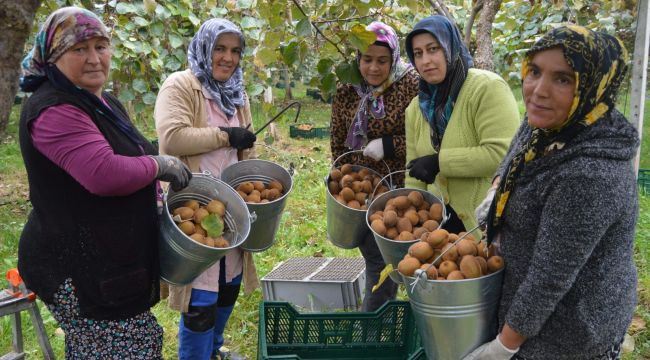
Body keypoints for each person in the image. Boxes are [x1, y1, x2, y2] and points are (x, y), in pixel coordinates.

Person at [16, 7, 191, 359]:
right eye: (79, 49)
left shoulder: (99, 100)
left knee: (111, 346)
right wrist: (159, 164)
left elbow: (130, 152)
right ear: (53, 56)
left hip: (108, 260)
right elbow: (104, 174)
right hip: (76, 266)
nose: (94, 58)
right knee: (120, 346)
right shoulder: (54, 110)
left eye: (101, 46)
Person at [465, 25, 639, 360]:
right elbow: (518, 150)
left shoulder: (590, 174)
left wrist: (503, 346)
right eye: (534, 72)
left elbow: (549, 278)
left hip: (569, 331)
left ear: (592, 86)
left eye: (563, 79)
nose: (538, 91)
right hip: (530, 305)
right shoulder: (550, 122)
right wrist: (498, 186)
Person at [154, 18, 258, 360]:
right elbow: (172, 137)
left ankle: (214, 349)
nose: (228, 58)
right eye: (220, 49)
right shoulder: (181, 85)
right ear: (204, 48)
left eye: (234, 51)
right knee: (200, 297)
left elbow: (247, 149)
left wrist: (250, 175)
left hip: (230, 205)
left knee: (228, 285)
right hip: (193, 204)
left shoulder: (237, 93)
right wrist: (227, 135)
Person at [329, 21, 419, 312]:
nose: (374, 68)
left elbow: (425, 139)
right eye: (367, 59)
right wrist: (342, 178)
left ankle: (373, 321)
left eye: (382, 60)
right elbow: (337, 139)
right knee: (376, 256)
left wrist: (389, 146)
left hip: (400, 186)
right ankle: (379, 315)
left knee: (385, 258)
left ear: (393, 59)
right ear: (358, 58)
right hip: (360, 188)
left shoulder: (411, 85)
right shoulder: (347, 90)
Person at [403, 15, 520, 235]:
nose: (425, 60)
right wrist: (412, 220)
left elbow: (503, 155)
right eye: (418, 54)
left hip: (487, 222)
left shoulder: (486, 88)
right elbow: (413, 173)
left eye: (433, 49)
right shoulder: (416, 108)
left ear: (450, 46)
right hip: (438, 228)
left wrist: (440, 162)